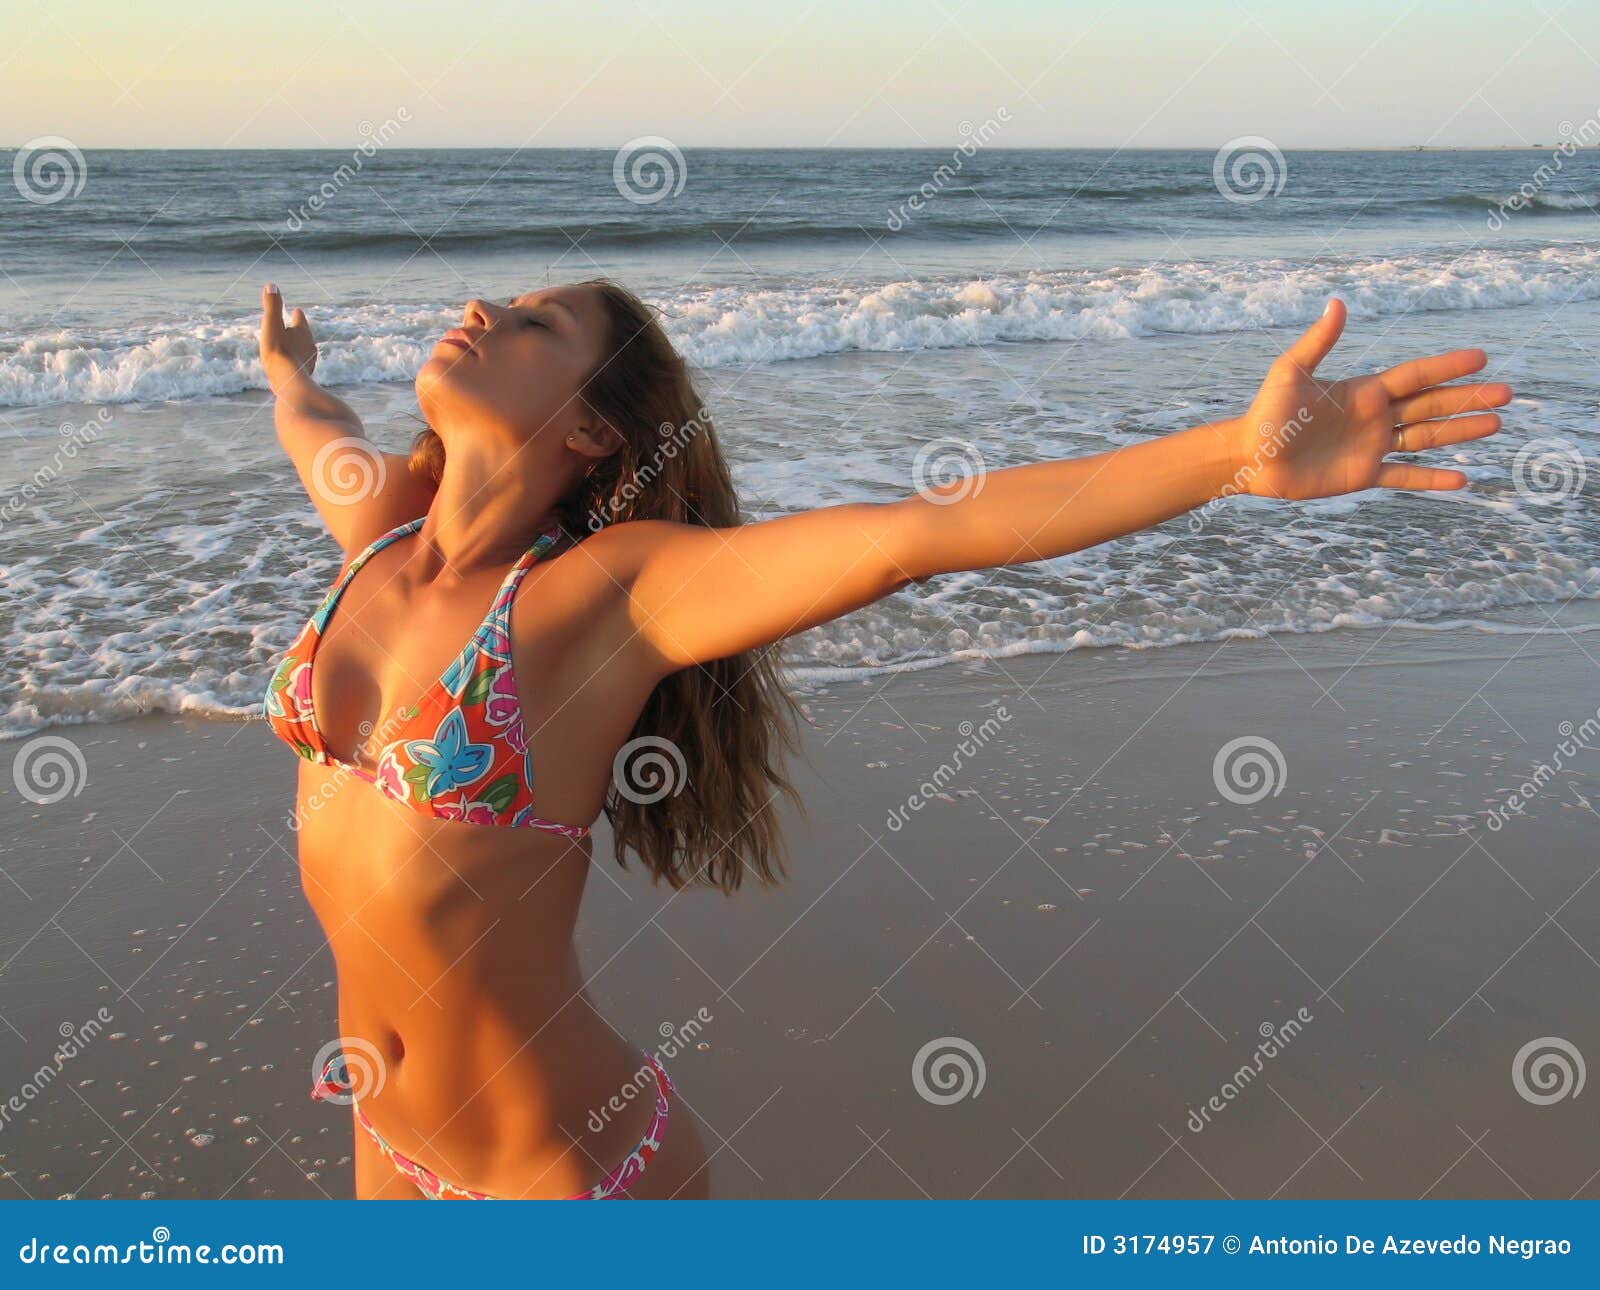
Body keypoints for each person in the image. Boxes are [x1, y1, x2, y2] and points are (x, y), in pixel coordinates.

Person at [258, 279, 1509, 1198]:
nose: (485, 307)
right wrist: (286, 373)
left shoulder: (605, 597)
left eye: (535, 325)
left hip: (563, 1175)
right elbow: (314, 428)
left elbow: (918, 532)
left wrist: (1232, 457)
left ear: (591, 432)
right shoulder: (376, 534)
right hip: (386, 1142)